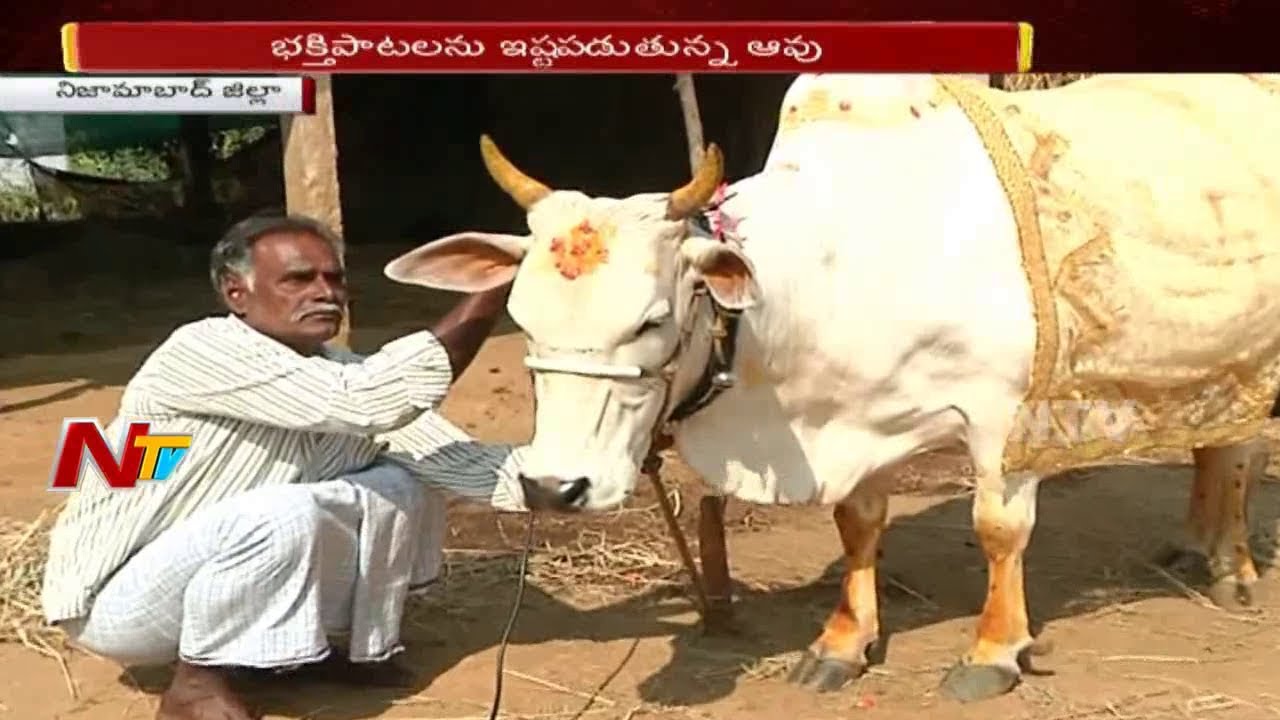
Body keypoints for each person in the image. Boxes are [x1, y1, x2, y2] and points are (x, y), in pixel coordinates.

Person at [41, 214, 531, 720]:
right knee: (285, 514)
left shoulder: (337, 367)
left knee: (401, 484)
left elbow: (448, 456)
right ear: (237, 294)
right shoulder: (201, 351)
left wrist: (578, 480)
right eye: (299, 279)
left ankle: (310, 651)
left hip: (205, 567)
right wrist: (492, 287)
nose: (326, 293)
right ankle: (196, 684)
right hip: (117, 603)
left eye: (334, 278)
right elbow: (369, 403)